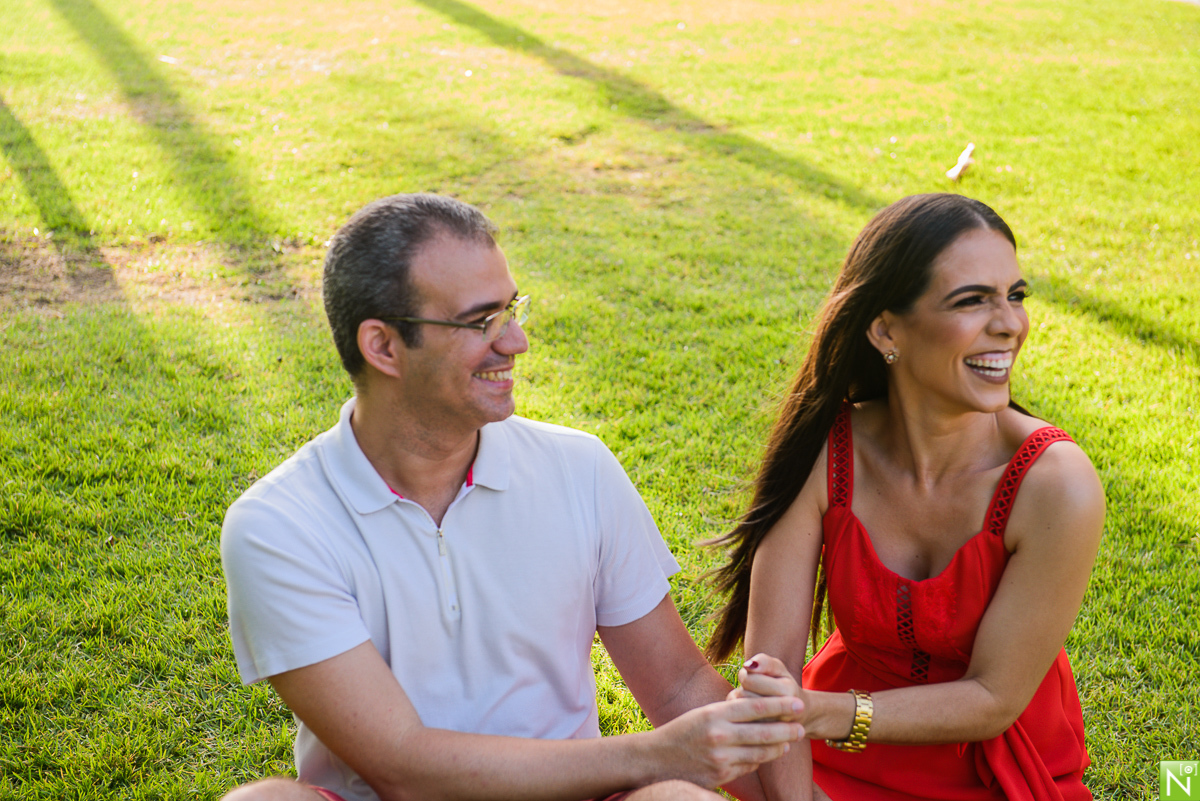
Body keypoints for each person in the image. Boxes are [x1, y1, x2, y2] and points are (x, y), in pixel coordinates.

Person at [219, 193, 805, 801]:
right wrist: (655, 754)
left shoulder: (578, 468)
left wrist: (781, 780)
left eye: (513, 309)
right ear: (383, 347)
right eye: (481, 322)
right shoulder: (278, 526)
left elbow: (679, 686)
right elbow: (400, 765)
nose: (516, 341)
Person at [707, 194, 1105, 800]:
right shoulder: (827, 451)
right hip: (817, 760)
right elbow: (773, 680)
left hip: (992, 771)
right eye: (973, 300)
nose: (1010, 323)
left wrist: (824, 714)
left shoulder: (1055, 484)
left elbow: (993, 698)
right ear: (886, 330)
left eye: (1015, 295)